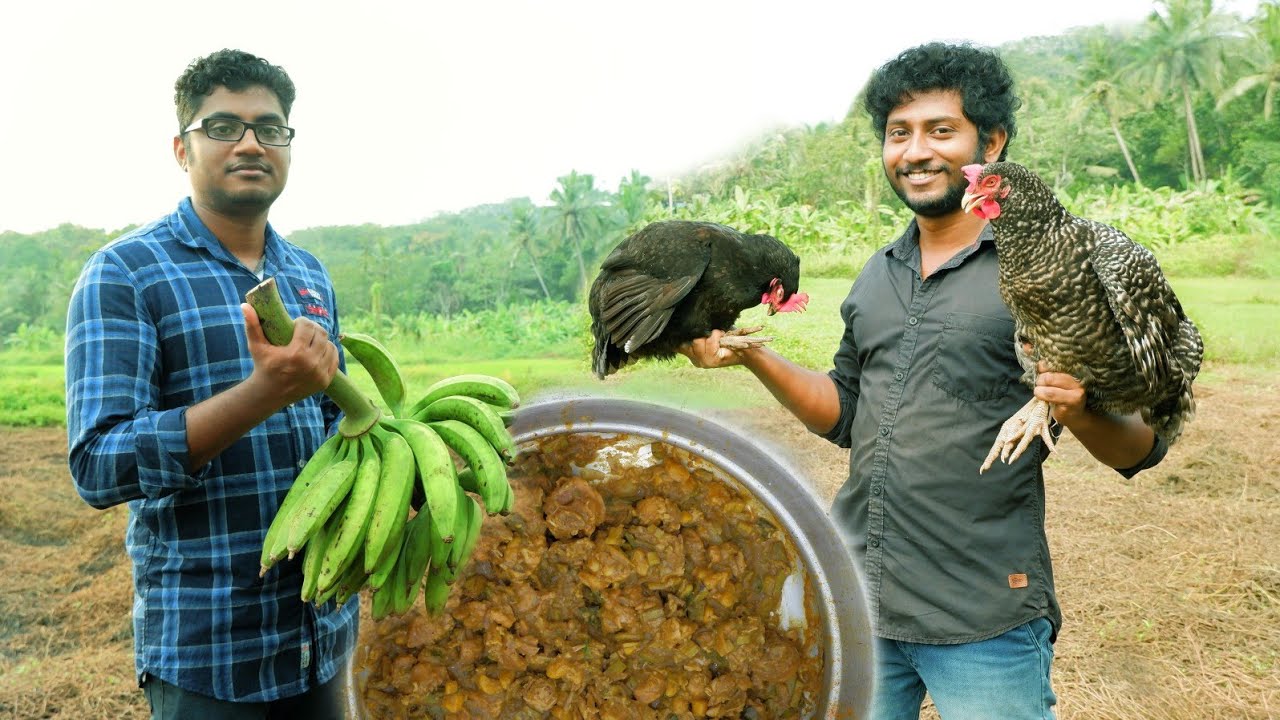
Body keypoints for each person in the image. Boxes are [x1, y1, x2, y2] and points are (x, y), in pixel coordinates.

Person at [681, 42, 1167, 719]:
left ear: (991, 143)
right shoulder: (877, 275)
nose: (915, 151)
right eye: (898, 133)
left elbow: (1138, 448)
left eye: (941, 131)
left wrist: (1076, 408)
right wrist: (754, 357)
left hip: (983, 615)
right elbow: (846, 414)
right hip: (858, 598)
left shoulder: (1050, 274)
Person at [65, 49, 355, 719]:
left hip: (324, 640)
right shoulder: (126, 274)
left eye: (271, 128)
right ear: (181, 147)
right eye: (223, 125)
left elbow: (332, 430)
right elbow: (98, 465)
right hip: (210, 658)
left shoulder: (309, 276)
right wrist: (260, 395)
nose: (251, 143)